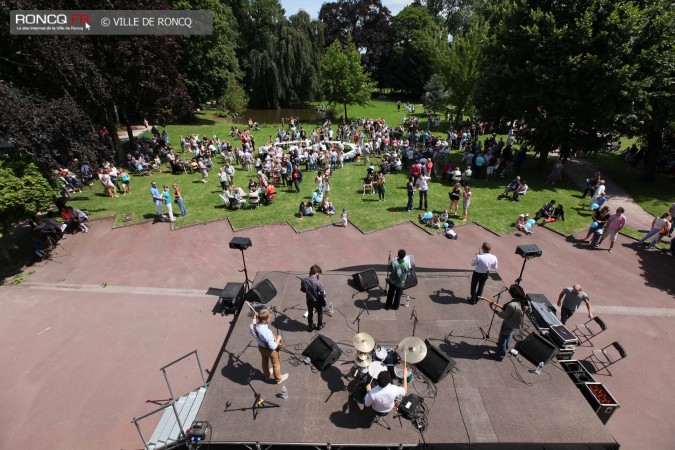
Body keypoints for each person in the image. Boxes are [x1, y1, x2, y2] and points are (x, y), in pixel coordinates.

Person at [250, 309, 288, 384]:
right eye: (269, 318)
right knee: (275, 364)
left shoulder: (252, 326)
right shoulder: (267, 332)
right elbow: (273, 346)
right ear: (264, 320)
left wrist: (254, 319)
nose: (270, 319)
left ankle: (266, 376)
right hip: (270, 351)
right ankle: (278, 379)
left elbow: (254, 324)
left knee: (264, 361)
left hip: (261, 348)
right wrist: (278, 339)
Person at [493, 285, 529, 361]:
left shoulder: (512, 305)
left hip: (509, 323)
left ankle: (500, 356)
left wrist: (496, 311)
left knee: (502, 339)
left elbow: (503, 315)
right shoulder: (524, 302)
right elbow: (529, 310)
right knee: (507, 335)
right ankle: (506, 347)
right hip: (516, 323)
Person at [300, 264, 326, 332]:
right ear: (317, 273)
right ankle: (319, 325)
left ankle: (310, 326)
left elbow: (303, 289)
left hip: (309, 300)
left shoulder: (304, 280)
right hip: (317, 301)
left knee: (310, 313)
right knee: (320, 312)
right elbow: (323, 294)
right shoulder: (318, 283)